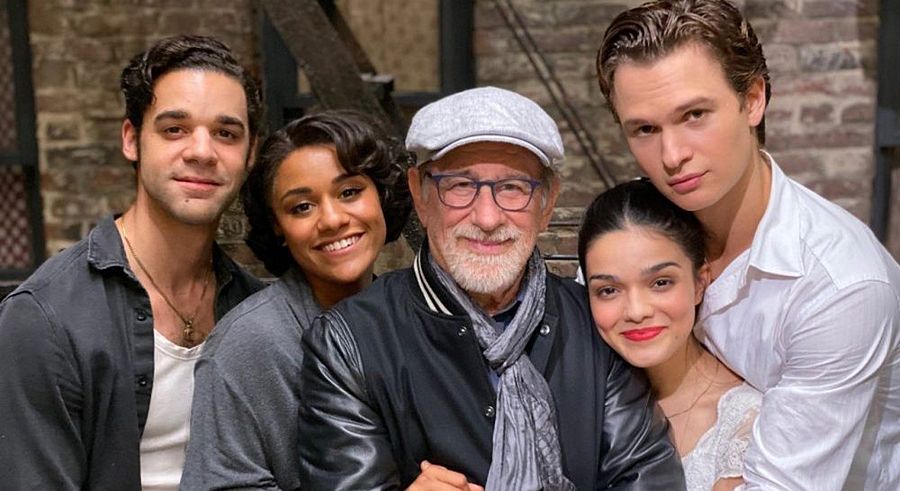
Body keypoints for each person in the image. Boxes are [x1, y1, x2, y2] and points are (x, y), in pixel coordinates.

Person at [296, 86, 684, 490]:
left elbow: (647, 477)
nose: (487, 217)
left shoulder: (595, 325)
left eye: (513, 187)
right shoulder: (347, 343)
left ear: (548, 202)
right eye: (460, 185)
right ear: (420, 195)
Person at [596, 0, 900, 490]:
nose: (672, 155)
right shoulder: (640, 232)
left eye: (695, 115)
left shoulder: (839, 287)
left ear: (753, 99)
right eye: (646, 129)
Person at [0, 35, 265, 490]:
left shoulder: (253, 310)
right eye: (175, 129)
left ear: (250, 154)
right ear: (131, 139)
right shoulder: (45, 320)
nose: (202, 151)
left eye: (226, 133)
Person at [180, 110, 413, 490]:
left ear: (381, 195)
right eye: (302, 207)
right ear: (278, 226)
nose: (332, 219)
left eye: (349, 192)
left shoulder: (416, 316)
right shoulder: (246, 346)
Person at [578, 179, 762, 491]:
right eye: (608, 290)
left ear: (700, 283)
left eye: (661, 283)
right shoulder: (581, 402)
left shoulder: (749, 425)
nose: (636, 311)